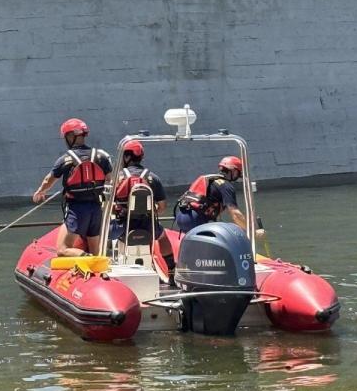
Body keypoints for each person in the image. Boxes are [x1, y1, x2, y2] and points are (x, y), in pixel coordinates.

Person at [32, 118, 113, 257]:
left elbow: (49, 180)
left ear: (70, 136)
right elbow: (109, 179)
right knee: (96, 251)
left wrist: (40, 191)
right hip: (96, 208)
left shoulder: (65, 159)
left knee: (62, 250)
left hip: (77, 209)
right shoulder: (101, 157)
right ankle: (98, 269)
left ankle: (86, 257)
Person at [110, 140, 176, 281]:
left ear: (127, 157)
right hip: (148, 225)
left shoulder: (117, 178)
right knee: (163, 238)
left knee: (99, 234)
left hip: (123, 227)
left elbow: (108, 206)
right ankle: (171, 270)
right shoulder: (153, 177)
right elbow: (162, 207)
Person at [174, 156, 249, 234]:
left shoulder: (210, 179)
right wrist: (251, 231)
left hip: (181, 216)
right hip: (195, 219)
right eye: (238, 173)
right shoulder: (226, 186)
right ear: (234, 171)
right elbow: (235, 214)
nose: (237, 177)